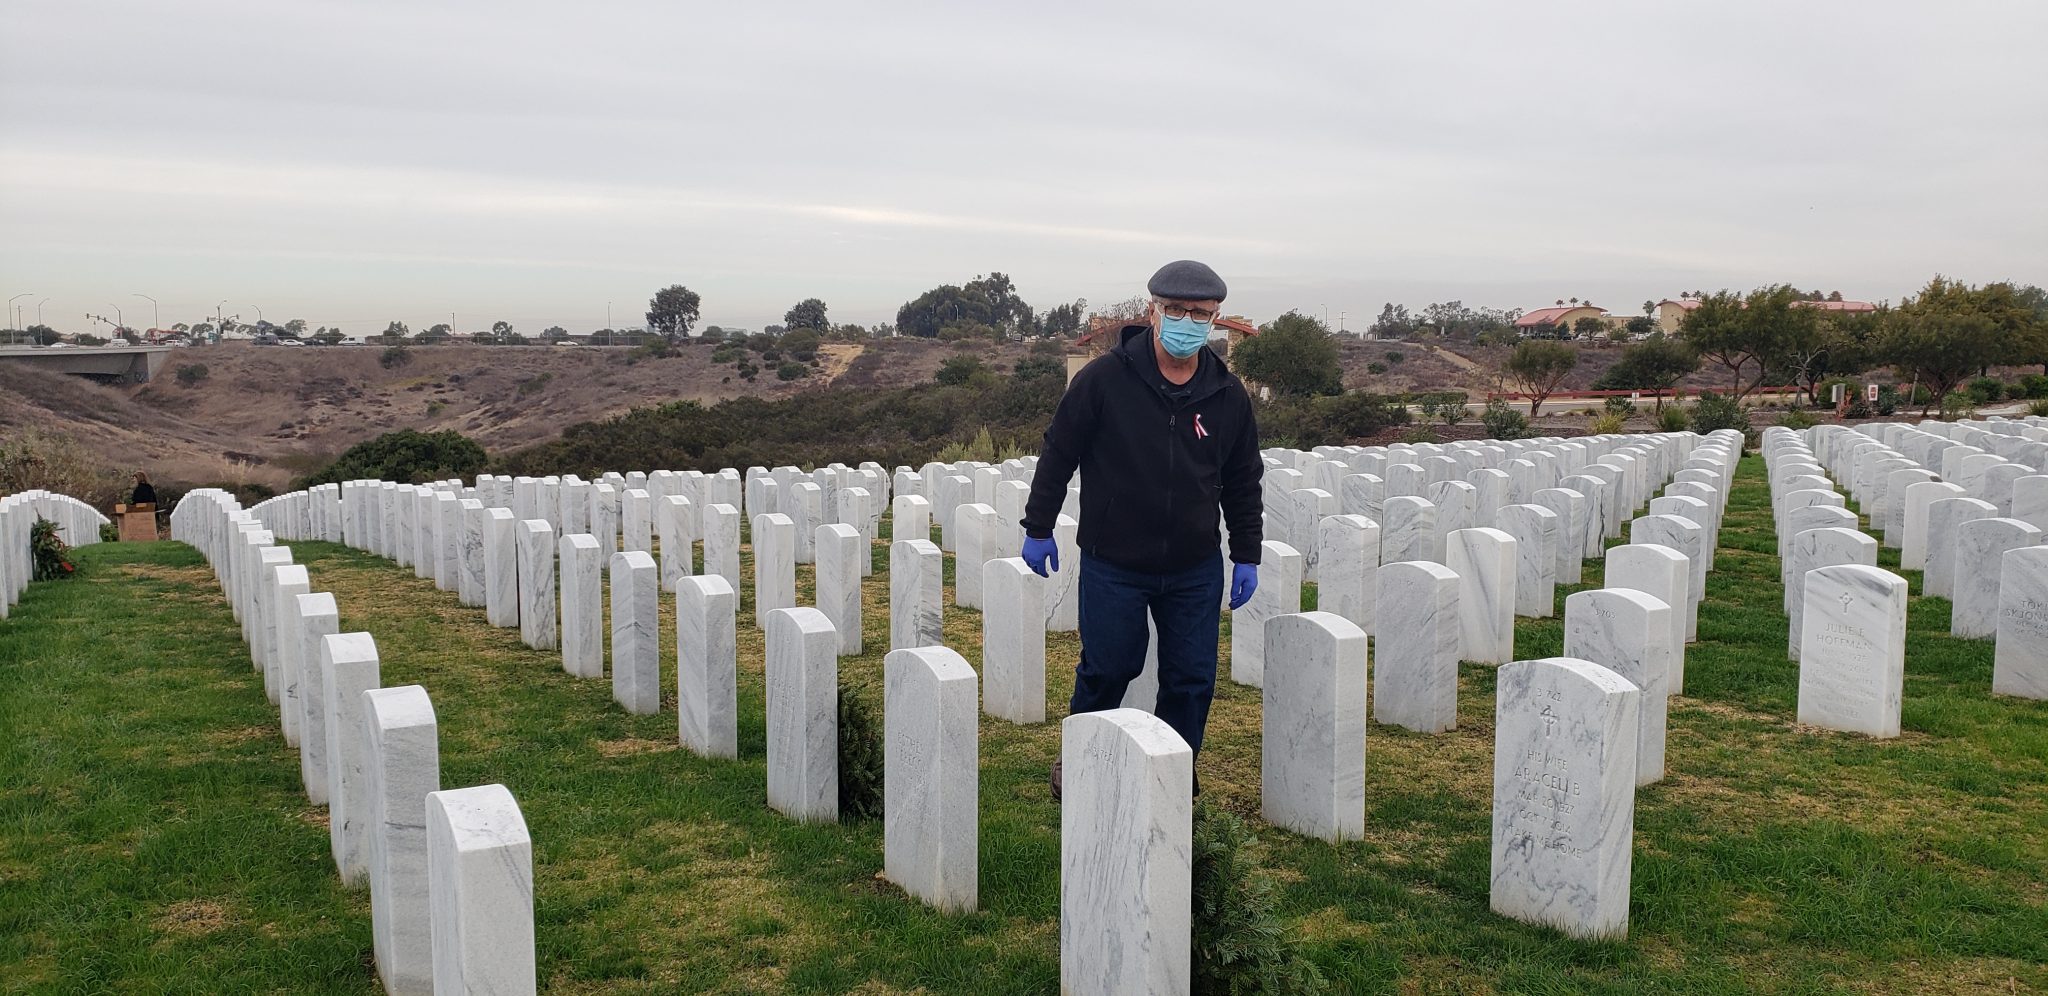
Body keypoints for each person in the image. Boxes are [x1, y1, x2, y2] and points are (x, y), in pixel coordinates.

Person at [1020, 260, 1264, 800]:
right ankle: (1082, 758)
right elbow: (1060, 451)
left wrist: (1247, 552)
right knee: (1109, 665)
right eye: (1175, 310)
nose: (1186, 321)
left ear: (1215, 319)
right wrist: (1038, 525)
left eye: (1199, 313)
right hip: (1115, 559)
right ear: (1154, 311)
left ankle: (1171, 770)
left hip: (1193, 563)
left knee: (1191, 678)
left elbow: (1244, 477)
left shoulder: (1227, 394)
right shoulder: (1105, 379)